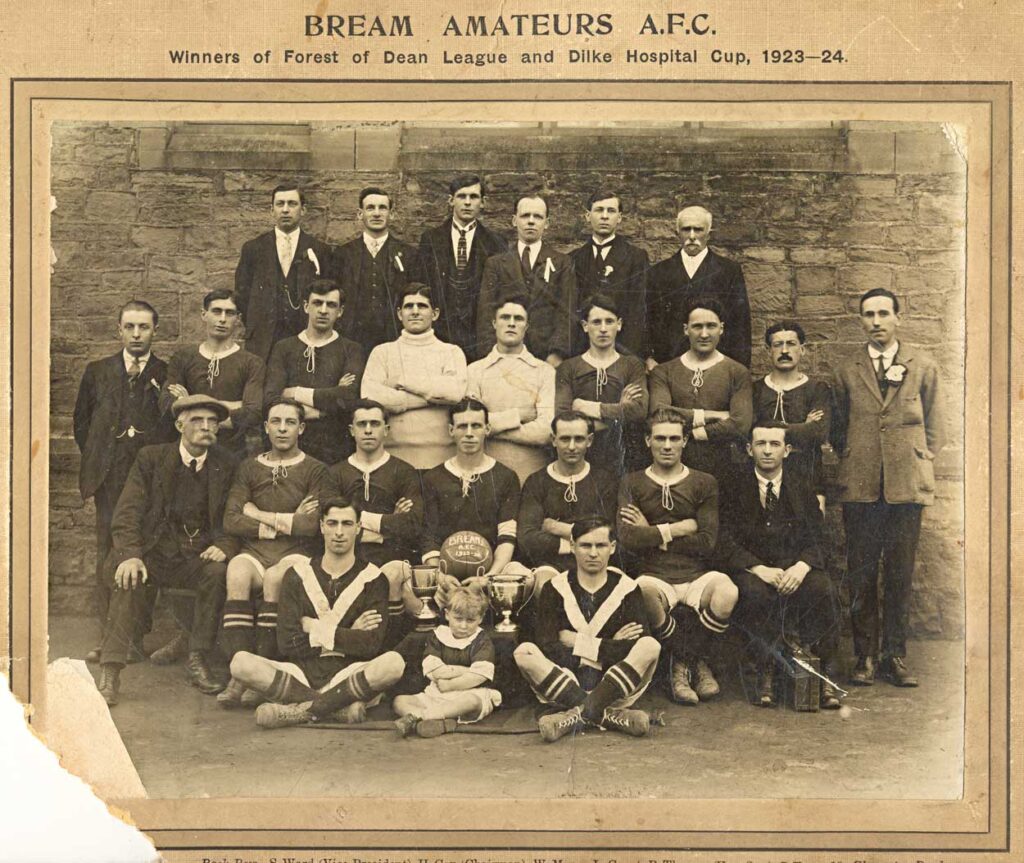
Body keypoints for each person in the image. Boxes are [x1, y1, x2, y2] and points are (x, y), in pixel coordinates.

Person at [93, 395, 239, 706]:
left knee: (217, 573)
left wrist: (224, 545)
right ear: (179, 425)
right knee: (126, 576)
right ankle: (110, 670)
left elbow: (234, 513)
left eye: (213, 421)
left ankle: (198, 657)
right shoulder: (151, 458)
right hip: (151, 554)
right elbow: (127, 512)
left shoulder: (226, 465)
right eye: (198, 420)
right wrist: (130, 554)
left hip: (196, 557)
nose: (207, 427)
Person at [832, 288, 944, 688]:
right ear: (860, 321)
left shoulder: (924, 366)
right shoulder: (847, 370)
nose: (876, 321)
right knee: (861, 574)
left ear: (899, 317)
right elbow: (836, 427)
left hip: (905, 488)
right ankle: (863, 656)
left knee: (899, 574)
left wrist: (916, 460)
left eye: (883, 313)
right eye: (868, 315)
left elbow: (936, 428)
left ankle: (894, 656)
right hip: (861, 487)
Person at [229, 497, 406, 729]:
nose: (339, 532)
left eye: (347, 524)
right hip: (301, 673)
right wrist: (347, 634)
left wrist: (313, 627)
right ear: (322, 526)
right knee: (240, 663)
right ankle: (334, 708)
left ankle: (302, 710)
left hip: (349, 674)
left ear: (358, 528)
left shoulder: (374, 578)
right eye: (332, 523)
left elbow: (371, 645)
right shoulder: (296, 574)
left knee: (393, 664)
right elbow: (286, 643)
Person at [217, 397, 334, 708]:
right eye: (276, 422)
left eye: (290, 422)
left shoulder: (316, 470)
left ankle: (262, 674)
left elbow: (310, 525)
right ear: (266, 427)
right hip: (255, 550)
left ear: (302, 428)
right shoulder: (249, 467)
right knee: (237, 572)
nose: (283, 429)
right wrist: (286, 519)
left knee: (274, 579)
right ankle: (238, 674)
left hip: (295, 553)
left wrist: (257, 513)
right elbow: (231, 518)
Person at [717, 423, 842, 709]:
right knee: (754, 593)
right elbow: (722, 538)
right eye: (761, 444)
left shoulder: (800, 484)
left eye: (775, 444)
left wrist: (802, 566)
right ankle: (765, 672)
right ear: (750, 449)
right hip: (755, 568)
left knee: (822, 588)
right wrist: (756, 568)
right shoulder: (734, 485)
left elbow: (820, 536)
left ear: (786, 451)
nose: (767, 450)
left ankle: (822, 674)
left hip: (793, 566)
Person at [618, 410, 737, 706]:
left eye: (674, 438)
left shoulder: (704, 482)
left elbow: (707, 542)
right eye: (660, 438)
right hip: (655, 577)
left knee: (727, 592)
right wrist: (678, 528)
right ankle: (691, 664)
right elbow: (628, 539)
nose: (667, 445)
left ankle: (683, 664)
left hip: (696, 575)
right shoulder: (632, 482)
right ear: (648, 441)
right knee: (642, 591)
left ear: (685, 441)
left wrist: (653, 533)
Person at [74, 299, 170, 666]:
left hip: (149, 480)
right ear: (119, 329)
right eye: (129, 326)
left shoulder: (166, 372)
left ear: (154, 331)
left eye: (143, 327)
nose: (136, 334)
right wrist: (102, 461)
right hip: (110, 478)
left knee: (143, 550)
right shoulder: (98, 371)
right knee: (108, 553)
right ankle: (106, 636)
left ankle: (134, 635)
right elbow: (82, 423)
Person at [513, 517, 660, 741]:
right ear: (572, 546)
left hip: (614, 688)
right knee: (524, 651)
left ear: (612, 548)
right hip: (567, 682)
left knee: (650, 646)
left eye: (600, 546)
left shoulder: (628, 589)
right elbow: (548, 646)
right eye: (585, 545)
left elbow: (634, 646)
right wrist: (608, 644)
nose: (593, 553)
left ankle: (577, 715)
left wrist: (579, 643)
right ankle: (602, 714)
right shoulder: (555, 588)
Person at [420, 398, 531, 605]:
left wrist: (487, 578)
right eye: (462, 426)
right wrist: (440, 577)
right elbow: (429, 534)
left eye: (476, 426)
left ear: (487, 429)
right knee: (411, 585)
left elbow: (507, 536)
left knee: (526, 577)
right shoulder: (433, 477)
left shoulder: (505, 476)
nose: (469, 433)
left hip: (491, 571)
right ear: (451, 430)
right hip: (446, 572)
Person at [331, 399, 424, 644]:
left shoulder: (404, 471)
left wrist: (355, 521)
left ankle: (389, 653)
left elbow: (412, 525)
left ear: (386, 429)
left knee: (392, 575)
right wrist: (389, 522)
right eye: (362, 424)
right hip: (349, 557)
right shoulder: (336, 473)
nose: (369, 430)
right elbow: (329, 524)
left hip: (392, 557)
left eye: (375, 423)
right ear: (352, 430)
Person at [648, 296, 753, 487]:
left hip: (723, 465)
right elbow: (660, 412)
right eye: (697, 326)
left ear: (721, 328)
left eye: (711, 326)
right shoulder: (664, 371)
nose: (704, 334)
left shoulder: (737, 372)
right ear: (686, 330)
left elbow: (740, 424)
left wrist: (695, 433)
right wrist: (713, 415)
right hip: (676, 464)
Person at [360, 285, 468, 469]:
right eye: (409, 306)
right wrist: (433, 398)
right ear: (399, 314)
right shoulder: (382, 352)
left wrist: (403, 382)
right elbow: (370, 397)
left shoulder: (451, 352)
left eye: (422, 306)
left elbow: (455, 393)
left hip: (442, 457)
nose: (415, 312)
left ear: (435, 314)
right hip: (392, 457)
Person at [264, 279, 364, 466]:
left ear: (340, 311)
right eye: (317, 303)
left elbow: (348, 398)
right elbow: (270, 398)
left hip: (335, 448)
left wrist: (294, 393)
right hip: (290, 446)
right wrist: (325, 408)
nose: (323, 310)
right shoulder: (284, 347)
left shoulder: (351, 349)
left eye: (331, 305)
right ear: (305, 306)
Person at [518, 411, 620, 588]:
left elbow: (611, 534)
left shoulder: (604, 481)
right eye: (565, 439)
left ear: (589, 441)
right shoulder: (537, 481)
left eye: (579, 439)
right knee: (545, 586)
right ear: (553, 439)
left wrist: (557, 528)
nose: (572, 446)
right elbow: (527, 538)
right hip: (551, 564)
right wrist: (581, 540)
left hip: (597, 562)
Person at [234, 184, 333, 364]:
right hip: (263, 339)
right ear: (272, 210)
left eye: (292, 204)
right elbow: (242, 293)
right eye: (280, 204)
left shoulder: (320, 250)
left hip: (305, 335)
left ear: (303, 210)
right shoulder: (253, 248)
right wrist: (257, 324)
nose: (285, 210)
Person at [475, 194, 577, 366]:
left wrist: (557, 354)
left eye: (537, 216)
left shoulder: (562, 262)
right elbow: (486, 313)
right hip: (504, 355)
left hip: (546, 356)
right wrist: (492, 355)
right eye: (525, 215)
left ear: (547, 223)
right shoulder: (496, 263)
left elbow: (567, 311)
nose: (531, 221)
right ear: (514, 220)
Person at [415, 174, 507, 358]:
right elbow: (422, 285)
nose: (467, 202)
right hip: (440, 333)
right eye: (461, 196)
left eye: (473, 197)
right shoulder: (431, 239)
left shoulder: (496, 242)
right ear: (451, 201)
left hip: (478, 336)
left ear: (482, 203)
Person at [163, 289, 265, 457]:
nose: (222, 319)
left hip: (232, 452)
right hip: (188, 450)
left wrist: (190, 403)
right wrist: (234, 406)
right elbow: (167, 403)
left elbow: (252, 412)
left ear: (238, 319)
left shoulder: (252, 362)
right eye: (216, 311)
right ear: (204, 314)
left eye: (230, 313)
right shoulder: (183, 358)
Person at [647, 205, 751, 368]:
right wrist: (649, 357)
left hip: (717, 366)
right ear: (677, 233)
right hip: (669, 364)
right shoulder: (659, 272)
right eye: (686, 230)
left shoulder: (728, 271)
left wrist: (739, 369)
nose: (692, 236)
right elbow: (649, 319)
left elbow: (740, 325)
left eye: (698, 230)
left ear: (709, 234)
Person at [392, 585, 502, 739]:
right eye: (458, 619)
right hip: (437, 693)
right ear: (447, 614)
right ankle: (438, 721)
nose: (463, 626)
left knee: (471, 701)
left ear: (481, 618)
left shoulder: (481, 640)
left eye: (470, 620)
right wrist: (464, 670)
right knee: (399, 701)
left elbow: (479, 675)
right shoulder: (438, 635)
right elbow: (434, 669)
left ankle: (421, 718)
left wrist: (450, 684)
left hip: (468, 691)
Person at [466, 296, 556, 483]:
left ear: (527, 326)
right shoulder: (474, 370)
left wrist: (490, 428)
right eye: (505, 317)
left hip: (532, 474)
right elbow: (470, 425)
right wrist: (517, 416)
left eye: (518, 319)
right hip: (485, 476)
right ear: (494, 323)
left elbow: (546, 431)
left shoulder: (545, 372)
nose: (511, 324)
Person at [555, 294, 648, 473]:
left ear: (619, 325)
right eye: (596, 322)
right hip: (581, 457)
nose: (603, 329)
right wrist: (618, 412)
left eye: (609, 321)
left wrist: (589, 408)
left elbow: (638, 412)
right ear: (585, 326)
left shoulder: (632, 365)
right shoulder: (568, 367)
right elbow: (562, 416)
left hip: (623, 456)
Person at [753, 320, 832, 508]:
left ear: (802, 349)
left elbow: (818, 433)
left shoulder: (817, 389)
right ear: (768, 350)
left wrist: (769, 429)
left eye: (791, 344)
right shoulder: (755, 390)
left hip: (807, 476)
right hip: (763, 479)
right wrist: (803, 426)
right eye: (778, 345)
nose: (785, 351)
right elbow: (748, 429)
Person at [335, 187, 418, 358]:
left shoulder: (409, 254)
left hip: (393, 337)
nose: (377, 213)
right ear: (360, 214)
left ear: (391, 214)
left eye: (382, 208)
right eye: (370, 208)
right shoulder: (343, 254)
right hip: (352, 337)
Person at [568, 191, 649, 357]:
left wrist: (629, 355)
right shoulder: (573, 258)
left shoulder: (636, 257)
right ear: (587, 216)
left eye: (611, 211)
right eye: (599, 210)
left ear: (619, 217)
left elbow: (637, 310)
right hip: (583, 351)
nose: (604, 216)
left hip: (623, 350)